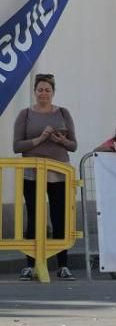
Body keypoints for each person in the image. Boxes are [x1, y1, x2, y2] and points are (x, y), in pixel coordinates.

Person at [11, 73, 78, 281]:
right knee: (34, 216)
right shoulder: (25, 114)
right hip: (32, 172)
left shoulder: (63, 113)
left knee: (60, 217)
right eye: (40, 90)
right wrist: (40, 139)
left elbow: (73, 145)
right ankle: (30, 265)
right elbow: (16, 146)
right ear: (35, 92)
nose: (43, 94)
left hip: (59, 171)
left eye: (47, 90)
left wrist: (60, 140)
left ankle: (63, 265)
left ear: (53, 93)